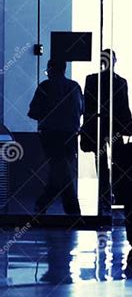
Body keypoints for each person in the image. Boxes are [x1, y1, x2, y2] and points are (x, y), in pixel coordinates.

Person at [82, 49, 132, 216]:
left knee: (108, 161)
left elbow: (89, 106)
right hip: (112, 125)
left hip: (106, 125)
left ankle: (107, 193)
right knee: (113, 161)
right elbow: (122, 107)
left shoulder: (93, 80)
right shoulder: (119, 82)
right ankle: (110, 193)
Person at [28, 58, 83, 216]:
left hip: (50, 135)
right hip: (70, 135)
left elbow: (33, 112)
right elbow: (81, 109)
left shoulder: (45, 87)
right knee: (62, 170)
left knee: (59, 171)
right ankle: (67, 209)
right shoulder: (74, 87)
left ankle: (66, 209)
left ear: (51, 69)